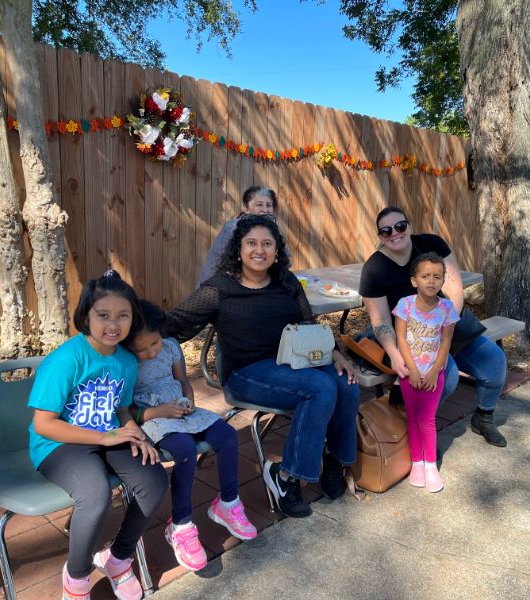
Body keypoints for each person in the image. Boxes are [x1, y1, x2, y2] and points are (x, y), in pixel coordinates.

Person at [161, 215, 360, 518]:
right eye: (251, 243)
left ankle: (334, 458)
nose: (259, 250)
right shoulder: (219, 288)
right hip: (245, 372)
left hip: (293, 361)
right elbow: (173, 323)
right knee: (320, 387)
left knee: (346, 383)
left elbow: (308, 323)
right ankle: (285, 477)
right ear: (238, 249)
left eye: (267, 243)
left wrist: (336, 354)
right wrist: (124, 327)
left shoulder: (286, 281)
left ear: (276, 250)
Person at [28, 270, 167, 600]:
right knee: (94, 495)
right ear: (85, 315)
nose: (113, 325)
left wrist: (133, 431)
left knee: (154, 480)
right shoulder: (66, 359)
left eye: (123, 316)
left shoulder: (126, 361)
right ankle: (76, 578)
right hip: (60, 443)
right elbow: (44, 424)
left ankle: (117, 559)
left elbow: (121, 408)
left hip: (109, 434)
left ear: (133, 318)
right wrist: (105, 438)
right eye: (103, 315)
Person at [359, 207, 508, 447]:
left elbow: (455, 290)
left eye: (400, 226)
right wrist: (394, 353)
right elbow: (381, 321)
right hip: (408, 338)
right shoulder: (373, 269)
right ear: (380, 236)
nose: (395, 233)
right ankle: (420, 430)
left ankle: (484, 417)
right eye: (386, 231)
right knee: (446, 377)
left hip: (448, 323)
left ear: (409, 226)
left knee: (494, 361)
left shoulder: (431, 245)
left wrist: (444, 331)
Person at [128, 300, 257, 572]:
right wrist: (159, 411)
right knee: (185, 449)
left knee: (227, 435)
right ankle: (181, 523)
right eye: (142, 349)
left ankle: (228, 502)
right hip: (153, 417)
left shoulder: (170, 347)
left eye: (154, 342)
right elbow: (126, 410)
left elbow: (183, 382)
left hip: (181, 409)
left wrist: (189, 399)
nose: (151, 352)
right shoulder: (125, 362)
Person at [393, 253, 459, 492]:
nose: (431, 281)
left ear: (443, 281)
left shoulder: (447, 308)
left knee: (427, 419)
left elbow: (446, 341)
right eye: (425, 276)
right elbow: (401, 338)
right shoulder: (405, 305)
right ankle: (417, 463)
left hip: (433, 374)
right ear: (414, 280)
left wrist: (434, 370)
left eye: (437, 277)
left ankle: (430, 465)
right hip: (409, 373)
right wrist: (412, 369)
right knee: (412, 417)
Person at [198, 186, 278, 285]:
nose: (265, 209)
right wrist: (205, 287)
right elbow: (214, 260)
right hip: (233, 285)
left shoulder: (273, 229)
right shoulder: (233, 227)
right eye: (259, 204)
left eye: (269, 205)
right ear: (246, 208)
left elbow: (284, 257)